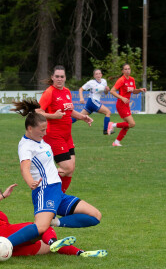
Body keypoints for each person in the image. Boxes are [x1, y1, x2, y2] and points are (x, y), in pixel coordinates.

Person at [11, 98, 102, 237]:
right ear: (30, 128)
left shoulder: (40, 141)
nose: (45, 133)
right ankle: (6, 244)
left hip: (57, 191)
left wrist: (56, 170)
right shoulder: (26, 146)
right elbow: (24, 167)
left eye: (45, 129)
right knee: (40, 227)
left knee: (95, 216)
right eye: (42, 130)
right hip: (45, 190)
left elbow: (46, 164)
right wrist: (30, 181)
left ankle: (56, 222)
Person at [0, 184, 107, 262]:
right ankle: (52, 241)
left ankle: (80, 253)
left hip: (4, 246)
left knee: (46, 248)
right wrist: (3, 195)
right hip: (6, 234)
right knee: (40, 226)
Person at [36, 65, 93, 193]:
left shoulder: (67, 92)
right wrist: (53, 116)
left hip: (67, 136)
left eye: (62, 76)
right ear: (52, 77)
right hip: (54, 135)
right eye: (57, 76)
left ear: (65, 78)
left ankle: (59, 197)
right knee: (66, 168)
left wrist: (83, 117)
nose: (59, 79)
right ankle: (43, 179)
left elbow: (69, 110)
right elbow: (37, 112)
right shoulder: (49, 92)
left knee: (70, 170)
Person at [107, 64, 147, 147]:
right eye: (125, 69)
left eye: (129, 69)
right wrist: (122, 98)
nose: (128, 70)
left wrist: (140, 90)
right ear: (122, 71)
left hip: (126, 105)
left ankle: (116, 142)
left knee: (127, 125)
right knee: (132, 124)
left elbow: (133, 91)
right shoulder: (121, 80)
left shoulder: (132, 79)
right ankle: (112, 124)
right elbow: (112, 91)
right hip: (121, 104)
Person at [73, 69, 114, 135]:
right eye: (96, 74)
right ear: (94, 76)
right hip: (92, 101)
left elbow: (105, 93)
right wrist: (81, 98)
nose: (98, 75)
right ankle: (105, 130)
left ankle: (63, 123)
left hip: (92, 103)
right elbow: (81, 89)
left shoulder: (104, 81)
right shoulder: (91, 82)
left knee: (79, 117)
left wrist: (107, 90)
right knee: (108, 112)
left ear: (101, 74)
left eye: (99, 73)